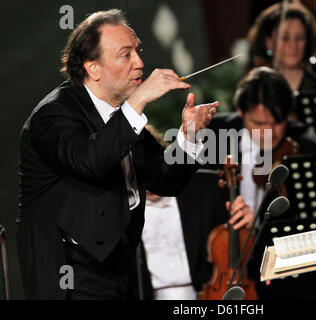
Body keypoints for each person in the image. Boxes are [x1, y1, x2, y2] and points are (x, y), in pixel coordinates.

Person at [17, 9, 219, 300]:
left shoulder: (123, 116)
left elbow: (164, 181)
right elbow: (91, 161)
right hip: (70, 274)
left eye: (138, 51)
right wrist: (138, 101)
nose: (140, 63)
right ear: (93, 67)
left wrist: (188, 136)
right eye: (126, 55)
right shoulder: (53, 115)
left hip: (118, 269)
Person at [206, 66, 316, 299]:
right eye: (259, 123)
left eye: (277, 122)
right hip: (226, 266)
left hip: (285, 272)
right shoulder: (214, 135)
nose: (269, 132)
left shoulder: (306, 147)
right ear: (241, 113)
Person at [138, 126, 254, 300]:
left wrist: (247, 223)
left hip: (207, 293)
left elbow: (236, 245)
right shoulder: (116, 208)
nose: (146, 178)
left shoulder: (207, 187)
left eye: (150, 167)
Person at [247, 3, 316, 96]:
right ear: (269, 43)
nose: (293, 45)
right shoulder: (257, 89)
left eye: (299, 38)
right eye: (285, 38)